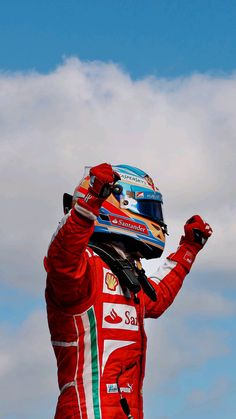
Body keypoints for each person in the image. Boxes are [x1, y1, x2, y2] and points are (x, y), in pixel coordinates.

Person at [44, 163, 212, 419]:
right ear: (118, 205)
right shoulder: (83, 268)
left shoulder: (125, 272)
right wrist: (87, 206)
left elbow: (157, 298)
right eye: (148, 209)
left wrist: (189, 248)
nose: (155, 218)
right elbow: (61, 260)